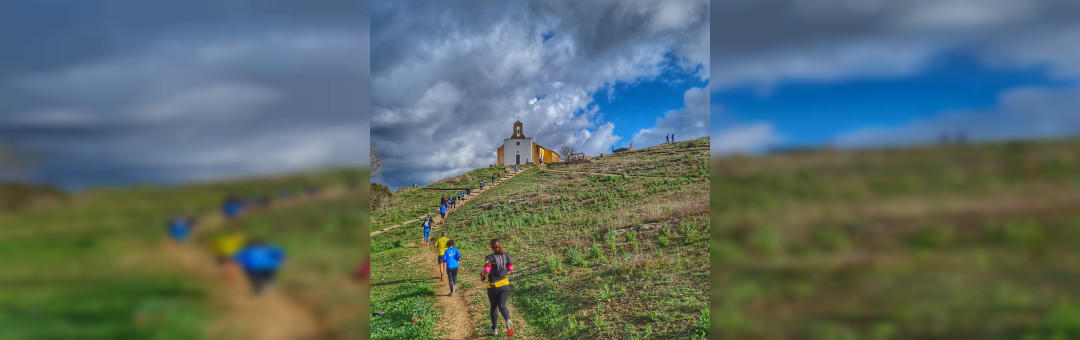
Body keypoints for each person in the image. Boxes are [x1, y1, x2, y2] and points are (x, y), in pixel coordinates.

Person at [481, 238, 514, 336]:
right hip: (505, 284)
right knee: (502, 306)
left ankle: (494, 329)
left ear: (491, 247)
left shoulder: (490, 257)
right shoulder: (505, 255)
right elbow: (511, 268)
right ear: (500, 245)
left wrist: (482, 275)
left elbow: (487, 270)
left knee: (494, 307)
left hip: (493, 286)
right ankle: (507, 319)